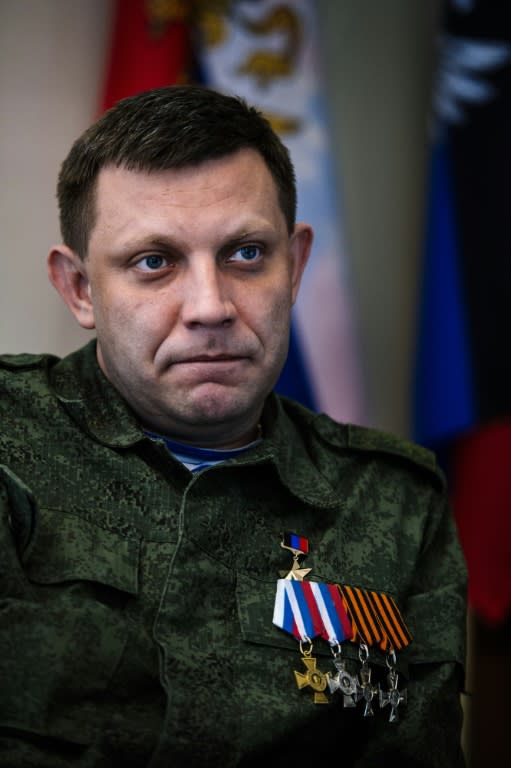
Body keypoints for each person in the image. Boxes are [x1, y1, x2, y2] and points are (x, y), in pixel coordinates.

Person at [0, 85, 466, 767]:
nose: (209, 307)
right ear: (79, 289)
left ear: (295, 265)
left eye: (245, 253)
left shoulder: (394, 502)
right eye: (153, 262)